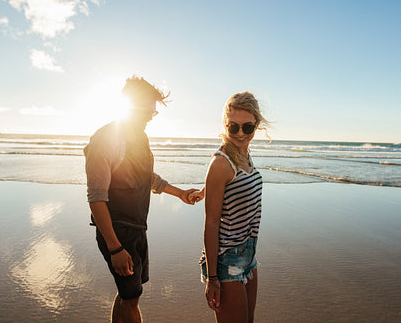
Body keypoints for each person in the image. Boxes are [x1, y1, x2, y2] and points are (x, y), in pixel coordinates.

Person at [84, 74, 198, 323]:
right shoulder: (106, 139)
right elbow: (96, 197)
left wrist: (180, 194)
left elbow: (147, 177)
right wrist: (115, 248)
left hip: (136, 229)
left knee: (127, 295)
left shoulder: (139, 137)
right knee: (131, 297)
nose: (150, 116)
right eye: (148, 110)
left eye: (153, 113)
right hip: (118, 232)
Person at [189, 91, 270, 323]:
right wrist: (212, 278)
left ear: (257, 125)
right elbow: (211, 223)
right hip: (226, 260)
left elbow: (233, 188)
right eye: (233, 128)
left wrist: (206, 190)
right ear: (225, 125)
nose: (241, 134)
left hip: (249, 254)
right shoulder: (221, 163)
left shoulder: (244, 154)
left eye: (248, 127)